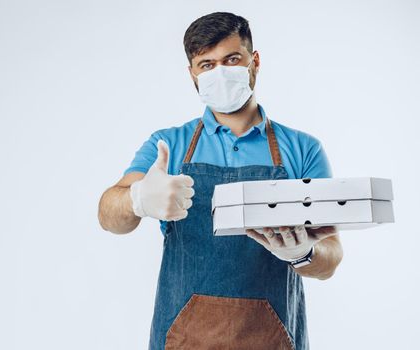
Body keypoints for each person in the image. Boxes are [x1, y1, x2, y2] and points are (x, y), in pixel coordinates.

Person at [98, 11, 343, 350]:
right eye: (207, 65)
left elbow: (331, 256)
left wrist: (304, 253)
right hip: (183, 339)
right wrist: (137, 198)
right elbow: (109, 215)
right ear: (192, 74)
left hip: (272, 339)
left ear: (253, 61)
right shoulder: (169, 145)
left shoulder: (303, 150)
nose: (221, 73)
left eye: (231, 59)